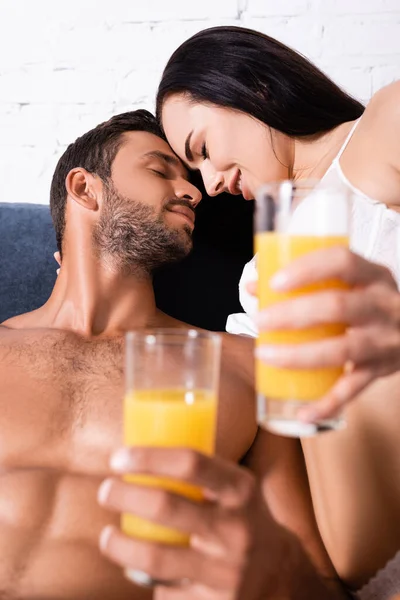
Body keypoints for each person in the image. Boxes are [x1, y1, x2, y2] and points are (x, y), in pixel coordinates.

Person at [98, 25, 400, 599]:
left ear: (252, 85)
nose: (209, 183)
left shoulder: (382, 131)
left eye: (203, 150)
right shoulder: (264, 270)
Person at [0, 109, 341, 599]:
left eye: (193, 177)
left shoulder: (244, 367)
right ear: (84, 189)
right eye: (161, 170)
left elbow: (312, 576)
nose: (193, 191)